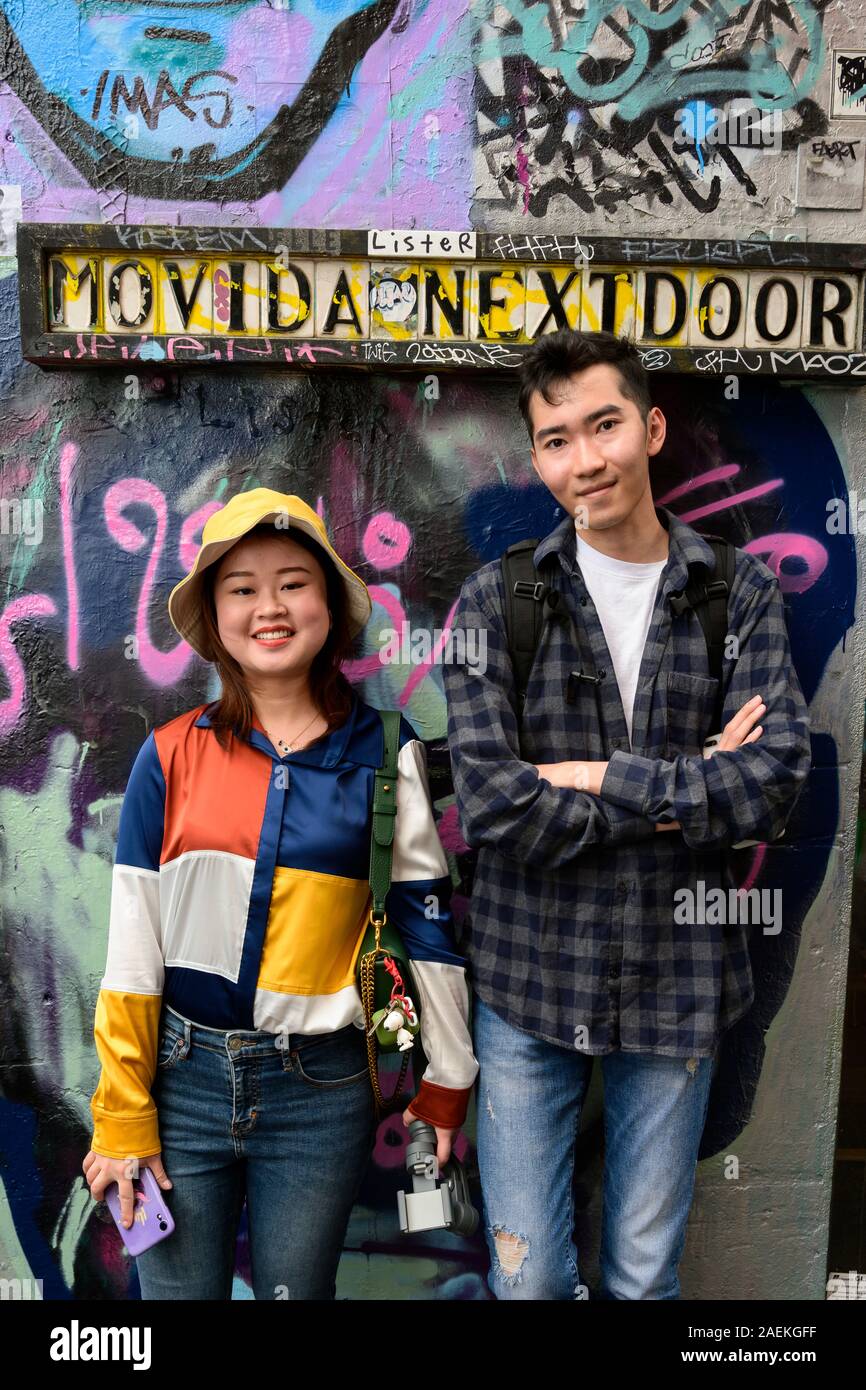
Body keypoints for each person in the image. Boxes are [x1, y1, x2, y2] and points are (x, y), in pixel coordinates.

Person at [442, 328, 811, 1300]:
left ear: (648, 428)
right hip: (527, 985)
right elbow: (490, 803)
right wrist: (688, 781)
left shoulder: (735, 593)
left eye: (602, 424)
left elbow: (773, 782)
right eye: (556, 438)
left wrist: (590, 776)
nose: (584, 458)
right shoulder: (498, 601)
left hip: (676, 984)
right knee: (526, 1285)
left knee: (645, 1280)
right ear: (536, 458)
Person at [82, 488, 478, 1300]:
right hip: (180, 1084)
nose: (270, 606)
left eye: (294, 582)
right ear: (216, 616)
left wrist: (448, 1078)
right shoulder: (167, 757)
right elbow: (131, 956)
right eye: (242, 588)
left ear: (329, 607)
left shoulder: (387, 754)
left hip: (321, 1093)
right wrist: (122, 1112)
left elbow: (427, 928)